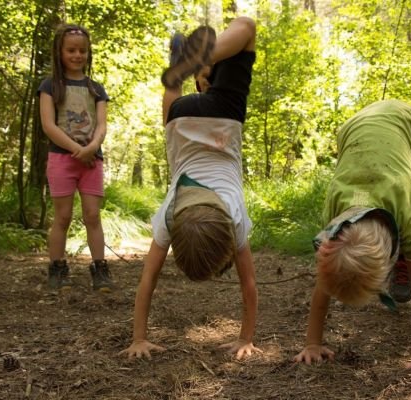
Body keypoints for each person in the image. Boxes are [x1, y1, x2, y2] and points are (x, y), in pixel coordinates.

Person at [119, 17, 260, 361]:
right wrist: (138, 337)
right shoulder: (169, 215)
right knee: (173, 87)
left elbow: (249, 287)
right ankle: (181, 70)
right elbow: (147, 281)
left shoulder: (234, 218)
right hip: (179, 119)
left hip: (223, 122)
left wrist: (246, 337)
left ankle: (204, 63)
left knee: (247, 29)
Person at [294, 100, 411, 380]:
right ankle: (407, 255)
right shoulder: (335, 210)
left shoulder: (406, 209)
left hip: (406, 126)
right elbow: (324, 281)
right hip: (355, 130)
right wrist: (312, 342)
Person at [38, 24, 114, 293]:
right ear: (60, 52)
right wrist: (77, 150)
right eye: (71, 50)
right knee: (63, 217)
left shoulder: (96, 88)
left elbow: (102, 125)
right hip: (62, 159)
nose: (77, 55)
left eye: (82, 50)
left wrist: (91, 147)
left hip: (92, 160)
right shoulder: (49, 86)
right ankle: (57, 268)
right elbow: (49, 125)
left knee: (92, 215)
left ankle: (100, 268)